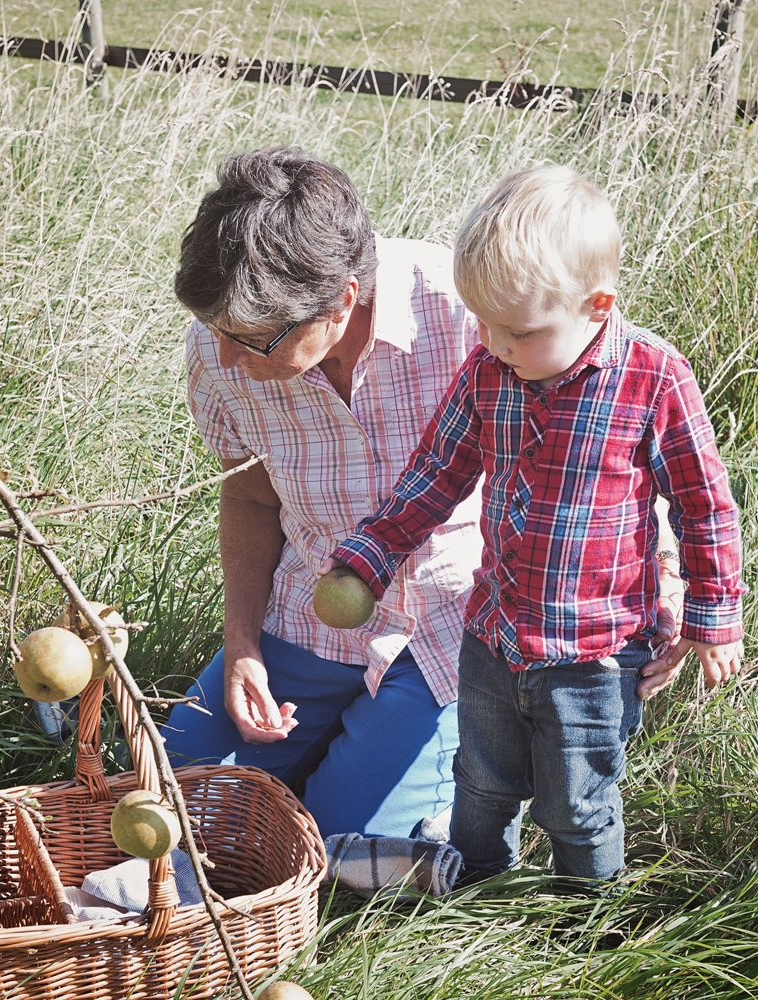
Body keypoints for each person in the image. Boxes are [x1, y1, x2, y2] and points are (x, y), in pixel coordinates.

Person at [325, 164, 747, 887]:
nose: (492, 341)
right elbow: (433, 476)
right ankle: (483, 897)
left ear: (596, 304)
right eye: (482, 322)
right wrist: (368, 556)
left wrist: (712, 618)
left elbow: (703, 505)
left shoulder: (654, 377)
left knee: (576, 808)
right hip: (493, 640)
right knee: (481, 789)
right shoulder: (489, 373)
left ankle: (586, 929)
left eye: (516, 330)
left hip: (596, 656)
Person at [158, 146, 485, 842]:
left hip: (451, 626)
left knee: (339, 841)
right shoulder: (224, 343)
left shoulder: (466, 314)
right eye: (217, 332)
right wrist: (243, 644)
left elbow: (598, 448)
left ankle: (472, 790)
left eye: (249, 340)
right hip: (311, 614)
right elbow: (249, 499)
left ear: (341, 301)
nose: (225, 358)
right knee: (173, 802)